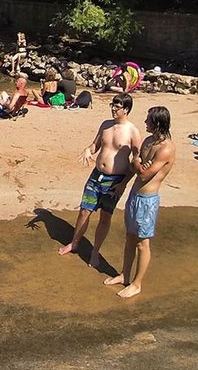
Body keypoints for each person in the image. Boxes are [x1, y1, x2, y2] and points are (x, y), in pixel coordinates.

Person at [58, 92, 141, 268]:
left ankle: (95, 252)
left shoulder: (133, 132)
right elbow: (95, 145)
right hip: (96, 175)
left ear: (126, 109)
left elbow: (136, 162)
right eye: (112, 105)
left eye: (117, 107)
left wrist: (124, 184)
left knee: (105, 217)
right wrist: (88, 150)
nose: (113, 108)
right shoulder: (105, 125)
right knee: (84, 210)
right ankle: (74, 243)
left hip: (115, 180)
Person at [103, 106, 174, 298]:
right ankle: (125, 275)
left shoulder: (166, 148)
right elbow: (137, 167)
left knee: (142, 243)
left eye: (149, 120)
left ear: (157, 123)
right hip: (134, 196)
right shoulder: (148, 141)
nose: (145, 123)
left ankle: (137, 283)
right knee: (129, 238)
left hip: (147, 201)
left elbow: (143, 174)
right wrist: (124, 183)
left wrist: (137, 162)